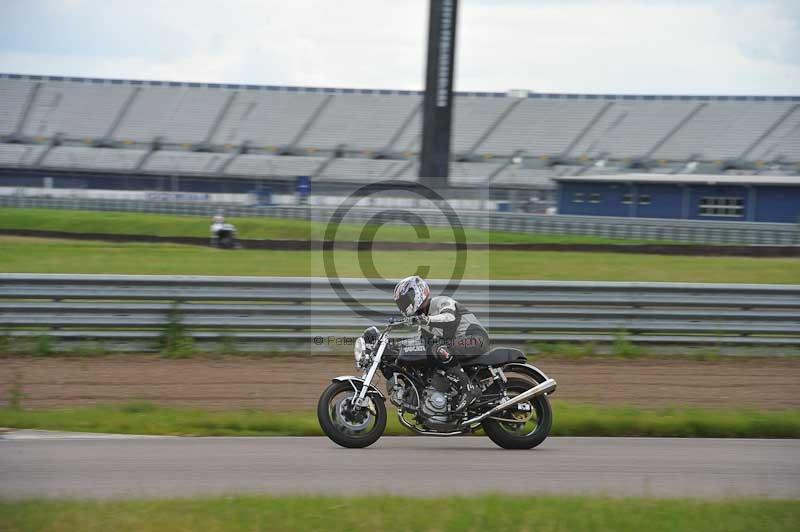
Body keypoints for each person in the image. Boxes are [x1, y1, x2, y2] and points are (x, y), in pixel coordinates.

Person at [393, 275, 490, 411]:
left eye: (405, 300)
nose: (404, 305)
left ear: (418, 293)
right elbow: (423, 344)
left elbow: (449, 317)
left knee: (438, 349)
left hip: (475, 338)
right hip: (457, 345)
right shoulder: (423, 322)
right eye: (401, 303)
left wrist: (426, 320)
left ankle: (469, 390)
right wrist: (398, 345)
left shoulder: (440, 302)